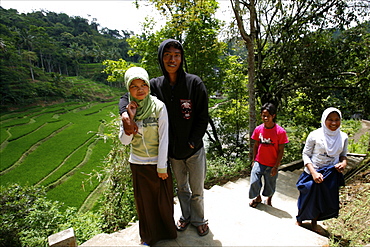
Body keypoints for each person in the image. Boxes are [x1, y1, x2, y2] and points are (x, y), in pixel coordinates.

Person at [119, 39, 210, 236]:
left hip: (194, 149)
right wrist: (124, 115)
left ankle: (200, 219)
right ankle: (186, 217)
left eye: (177, 55)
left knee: (197, 190)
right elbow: (127, 96)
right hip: (173, 152)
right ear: (161, 58)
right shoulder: (155, 85)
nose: (172, 59)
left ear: (182, 58)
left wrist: (193, 140)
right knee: (182, 189)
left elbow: (203, 117)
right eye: (168, 55)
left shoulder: (194, 83)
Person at [118, 67, 177, 246]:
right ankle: (148, 237)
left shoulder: (158, 106)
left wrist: (161, 166)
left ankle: (168, 232)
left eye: (143, 84)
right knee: (145, 204)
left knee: (163, 201)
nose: (140, 89)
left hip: (157, 163)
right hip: (138, 163)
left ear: (149, 85)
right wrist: (131, 119)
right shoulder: (128, 111)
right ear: (128, 89)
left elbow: (164, 137)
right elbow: (125, 141)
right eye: (134, 86)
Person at [296, 107, 348, 233]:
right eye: (330, 119)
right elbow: (306, 154)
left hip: (330, 174)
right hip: (312, 172)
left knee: (322, 200)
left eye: (337, 120)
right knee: (307, 197)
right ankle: (300, 219)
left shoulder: (343, 137)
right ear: (324, 119)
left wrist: (344, 163)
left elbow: (343, 155)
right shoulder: (315, 135)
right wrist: (313, 172)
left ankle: (314, 222)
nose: (334, 123)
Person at [248, 103, 289, 208]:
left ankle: (269, 199)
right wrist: (254, 160)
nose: (265, 118)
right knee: (254, 181)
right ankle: (257, 197)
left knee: (270, 184)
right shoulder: (258, 129)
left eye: (267, 116)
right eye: (263, 115)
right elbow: (256, 145)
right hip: (259, 161)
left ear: (273, 116)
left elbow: (281, 150)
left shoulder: (280, 132)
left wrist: (276, 166)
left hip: (272, 163)